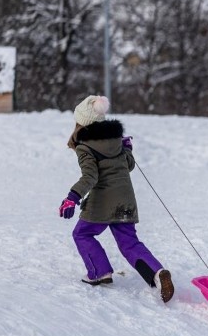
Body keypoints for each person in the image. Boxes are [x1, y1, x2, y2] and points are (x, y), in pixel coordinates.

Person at [59, 95, 174, 303]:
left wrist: (72, 197)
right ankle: (158, 274)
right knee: (129, 243)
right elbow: (128, 166)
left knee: (82, 233)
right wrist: (128, 149)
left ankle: (98, 273)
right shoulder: (116, 141)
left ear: (82, 122)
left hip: (102, 202)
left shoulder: (85, 146)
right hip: (126, 200)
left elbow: (90, 176)